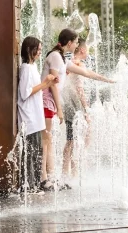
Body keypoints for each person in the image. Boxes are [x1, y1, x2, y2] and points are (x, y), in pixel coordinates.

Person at [40, 28, 114, 190]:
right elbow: (52, 83)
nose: (76, 45)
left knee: (48, 140)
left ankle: (50, 178)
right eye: (75, 42)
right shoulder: (55, 57)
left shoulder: (61, 58)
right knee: (46, 140)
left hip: (51, 103)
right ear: (69, 43)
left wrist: (107, 80)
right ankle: (45, 178)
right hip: (47, 102)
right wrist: (59, 109)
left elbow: (86, 72)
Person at [17, 36, 58, 193]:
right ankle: (26, 186)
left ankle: (33, 184)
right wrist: (45, 83)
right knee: (30, 152)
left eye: (41, 49)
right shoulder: (26, 68)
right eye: (38, 49)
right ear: (29, 50)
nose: (40, 52)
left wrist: (47, 83)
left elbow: (36, 88)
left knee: (36, 151)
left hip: (35, 116)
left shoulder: (32, 67)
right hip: (29, 117)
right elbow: (25, 93)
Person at [62, 38, 92, 181]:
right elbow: (79, 89)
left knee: (73, 139)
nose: (89, 52)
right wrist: (86, 109)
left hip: (69, 104)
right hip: (74, 105)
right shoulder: (77, 64)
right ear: (82, 50)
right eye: (88, 50)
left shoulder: (72, 62)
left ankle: (69, 171)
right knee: (73, 140)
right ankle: (70, 173)